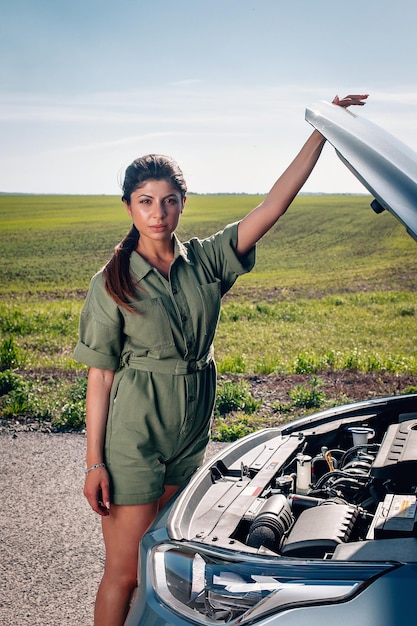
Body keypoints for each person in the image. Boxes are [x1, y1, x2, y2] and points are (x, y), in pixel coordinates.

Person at [74, 93, 368, 625]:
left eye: (168, 200)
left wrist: (322, 132)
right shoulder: (111, 282)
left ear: (183, 202)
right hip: (134, 436)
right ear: (128, 207)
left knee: (165, 565)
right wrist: (95, 462)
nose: (157, 213)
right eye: (144, 201)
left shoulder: (207, 262)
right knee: (125, 571)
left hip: (190, 432)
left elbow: (272, 207)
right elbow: (100, 377)